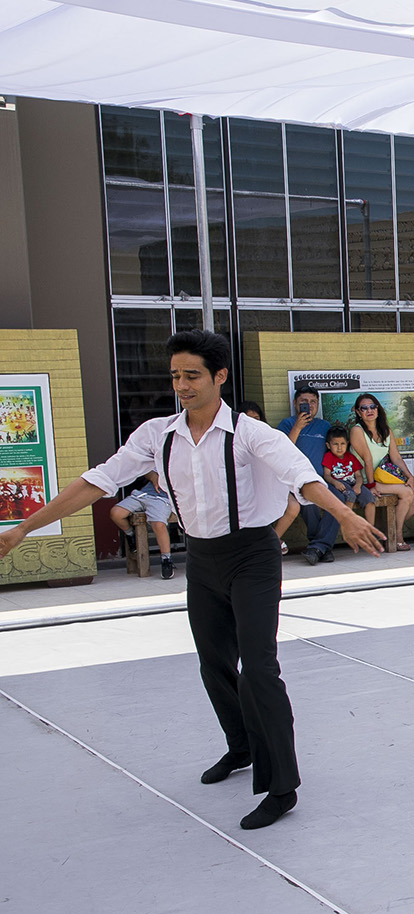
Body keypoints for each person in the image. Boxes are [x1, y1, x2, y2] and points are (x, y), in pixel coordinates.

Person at [0, 331, 384, 830]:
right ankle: (240, 746)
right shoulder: (156, 435)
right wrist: (24, 526)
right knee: (213, 663)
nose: (181, 384)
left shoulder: (250, 433)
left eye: (192, 375)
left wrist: (345, 516)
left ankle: (282, 784)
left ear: (219, 376)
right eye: (175, 375)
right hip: (201, 560)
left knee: (260, 668)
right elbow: (98, 480)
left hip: (252, 555)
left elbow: (300, 474)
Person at [277, 384, 342, 564]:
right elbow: (281, 451)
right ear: (295, 403)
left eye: (313, 402)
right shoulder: (287, 424)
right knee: (309, 501)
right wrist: (297, 427)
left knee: (338, 499)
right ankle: (321, 546)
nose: (309, 405)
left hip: (323, 479)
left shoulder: (324, 426)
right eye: (304, 401)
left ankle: (318, 547)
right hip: (296, 480)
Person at [349, 392, 414, 550]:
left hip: (384, 479)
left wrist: (410, 477)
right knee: (408, 494)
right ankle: (397, 537)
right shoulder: (357, 430)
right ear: (358, 412)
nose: (369, 410)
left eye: (373, 406)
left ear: (378, 409)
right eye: (364, 408)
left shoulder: (386, 431)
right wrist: (371, 486)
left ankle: (388, 535)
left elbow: (396, 458)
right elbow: (367, 460)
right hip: (364, 480)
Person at [240, 401, 300, 553]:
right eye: (249, 419)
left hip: (271, 483)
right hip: (245, 487)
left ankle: (272, 540)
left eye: (257, 418)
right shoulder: (234, 439)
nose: (254, 422)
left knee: (293, 506)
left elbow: (283, 454)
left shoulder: (269, 436)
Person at [111, 472, 175, 579]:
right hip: (143, 494)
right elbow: (147, 472)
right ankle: (131, 535)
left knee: (159, 525)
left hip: (163, 499)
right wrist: (153, 477)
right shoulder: (160, 457)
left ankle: (166, 559)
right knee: (115, 513)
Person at [321, 425, 377, 527]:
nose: (339, 447)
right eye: (335, 444)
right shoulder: (329, 456)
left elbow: (358, 476)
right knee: (350, 495)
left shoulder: (350, 457)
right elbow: (326, 475)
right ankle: (347, 527)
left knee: (369, 498)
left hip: (353, 483)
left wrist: (358, 485)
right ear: (328, 445)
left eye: (342, 444)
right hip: (339, 483)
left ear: (347, 444)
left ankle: (371, 529)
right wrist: (335, 482)